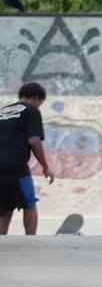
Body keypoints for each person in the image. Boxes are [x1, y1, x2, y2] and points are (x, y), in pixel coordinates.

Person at [0, 82, 54, 235]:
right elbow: (34, 140)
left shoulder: (3, 111)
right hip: (16, 166)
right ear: (36, 98)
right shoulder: (31, 111)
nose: (39, 107)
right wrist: (45, 166)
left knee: (4, 207)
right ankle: (31, 241)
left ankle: (1, 244)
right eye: (40, 103)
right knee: (29, 204)